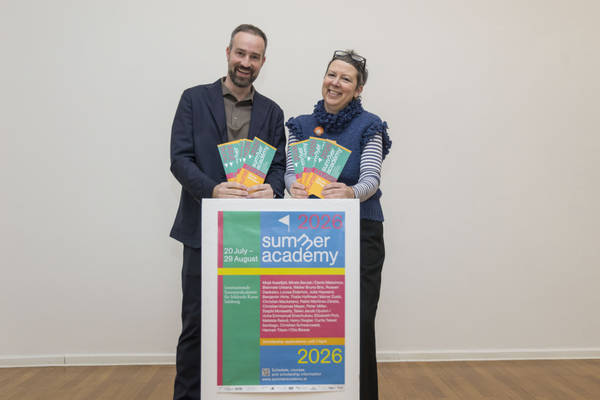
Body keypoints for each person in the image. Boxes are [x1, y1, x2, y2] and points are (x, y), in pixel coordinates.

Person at [169, 24, 286, 400]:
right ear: (228, 53)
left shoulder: (273, 112)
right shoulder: (193, 99)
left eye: (254, 56)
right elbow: (179, 159)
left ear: (263, 62)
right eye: (241, 53)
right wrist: (213, 190)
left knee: (247, 325)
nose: (246, 62)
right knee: (196, 324)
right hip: (201, 230)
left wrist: (274, 188)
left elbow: (279, 167)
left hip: (252, 233)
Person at [285, 50, 391, 400]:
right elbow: (291, 173)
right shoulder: (300, 125)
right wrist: (293, 185)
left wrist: (350, 193)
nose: (336, 83)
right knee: (314, 324)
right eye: (332, 74)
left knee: (359, 322)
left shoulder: (370, 125)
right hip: (313, 236)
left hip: (361, 233)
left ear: (358, 89)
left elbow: (371, 179)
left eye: (346, 79)